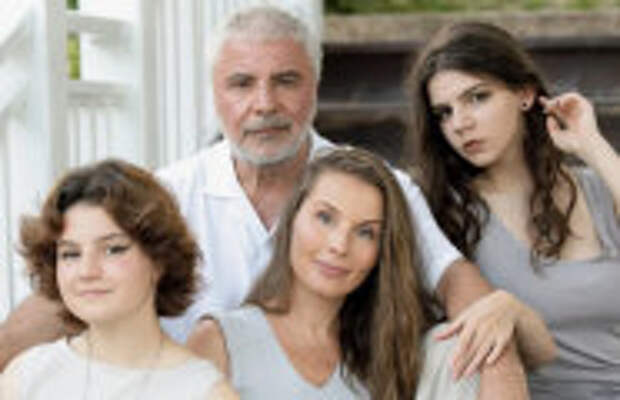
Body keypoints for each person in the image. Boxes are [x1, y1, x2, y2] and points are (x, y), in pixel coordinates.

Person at [1, 6, 528, 397]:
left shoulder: (373, 186)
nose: (264, 104)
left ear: (315, 86)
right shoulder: (168, 194)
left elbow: (456, 283)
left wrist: (497, 319)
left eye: (286, 81)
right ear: (214, 93)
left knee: (488, 346)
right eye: (241, 84)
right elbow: (65, 290)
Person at [407, 21, 620, 399]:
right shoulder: (444, 210)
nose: (460, 124)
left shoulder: (597, 187)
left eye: (477, 97)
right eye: (444, 113)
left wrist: (592, 144)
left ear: (524, 93)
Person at [187, 147, 479, 399]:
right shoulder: (219, 341)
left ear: (382, 252)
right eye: (325, 218)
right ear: (292, 218)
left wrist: (501, 308)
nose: (339, 246)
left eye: (365, 232)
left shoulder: (393, 355)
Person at [0, 160, 237, 399]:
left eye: (113, 249)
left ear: (159, 259)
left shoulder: (205, 392)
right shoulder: (25, 377)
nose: (87, 271)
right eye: (70, 254)